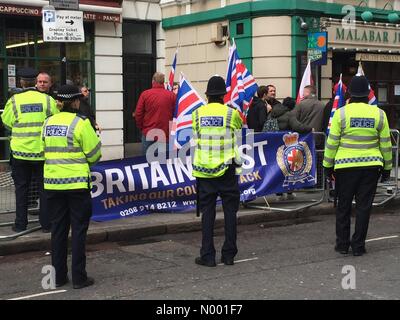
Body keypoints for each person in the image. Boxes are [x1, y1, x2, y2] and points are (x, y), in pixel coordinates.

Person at [323, 75, 392, 256]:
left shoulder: (341, 113)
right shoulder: (379, 114)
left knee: (343, 206)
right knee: (364, 207)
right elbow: (385, 144)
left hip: (345, 168)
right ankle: (359, 246)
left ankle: (343, 245)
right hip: (371, 167)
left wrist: (327, 166)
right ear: (368, 94)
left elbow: (332, 143)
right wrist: (387, 168)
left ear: (349, 93)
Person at [42, 84, 101, 289]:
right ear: (75, 101)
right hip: (76, 185)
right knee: (78, 231)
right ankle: (79, 277)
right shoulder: (81, 123)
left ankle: (58, 277)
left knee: (57, 230)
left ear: (59, 102)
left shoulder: (47, 122)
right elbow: (94, 154)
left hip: (52, 186)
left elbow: (44, 150)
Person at [192, 75, 242, 267]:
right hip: (227, 168)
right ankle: (228, 255)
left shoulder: (197, 114)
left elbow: (196, 136)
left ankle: (208, 255)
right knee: (230, 211)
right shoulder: (232, 114)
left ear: (207, 94)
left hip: (204, 170)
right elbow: (237, 134)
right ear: (223, 94)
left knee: (208, 213)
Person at [1, 67, 58, 233]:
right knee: (44, 189)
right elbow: (54, 121)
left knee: (21, 189)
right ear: (35, 82)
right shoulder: (48, 100)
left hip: (20, 153)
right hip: (42, 153)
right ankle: (47, 225)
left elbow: (6, 123)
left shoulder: (14, 101)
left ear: (20, 82)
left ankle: (20, 224)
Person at [134, 72, 176, 154]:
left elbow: (138, 114)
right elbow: (175, 115)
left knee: (146, 162)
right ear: (163, 82)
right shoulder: (172, 95)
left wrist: (142, 128)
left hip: (148, 132)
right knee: (164, 162)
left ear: (153, 81)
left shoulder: (145, 94)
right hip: (165, 133)